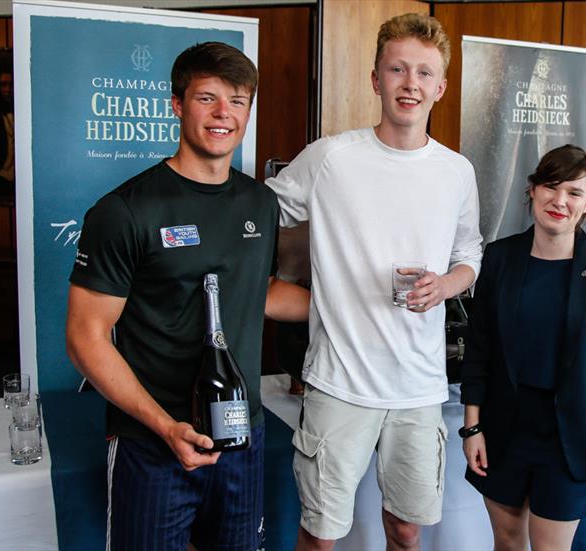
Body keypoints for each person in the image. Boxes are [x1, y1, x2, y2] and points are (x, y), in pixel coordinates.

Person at [65, 42, 309, 551]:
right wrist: (163, 425)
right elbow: (85, 337)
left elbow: (260, 293)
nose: (225, 114)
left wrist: (350, 308)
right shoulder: (125, 211)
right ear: (176, 105)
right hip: (153, 440)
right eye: (208, 98)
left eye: (238, 101)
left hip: (242, 433)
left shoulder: (259, 202)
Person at [266, 13, 483, 551]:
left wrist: (446, 285)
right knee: (321, 535)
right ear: (375, 78)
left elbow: (469, 254)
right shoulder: (331, 157)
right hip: (341, 381)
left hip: (419, 384)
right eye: (397, 69)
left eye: (424, 73)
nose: (411, 83)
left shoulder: (457, 171)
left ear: (441, 87)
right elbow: (258, 212)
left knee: (406, 531)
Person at [461, 144, 586, 550]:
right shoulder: (500, 258)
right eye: (551, 187)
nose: (560, 201)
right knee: (506, 543)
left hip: (569, 437)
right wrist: (472, 427)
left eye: (574, 192)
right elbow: (479, 348)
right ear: (533, 190)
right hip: (504, 430)